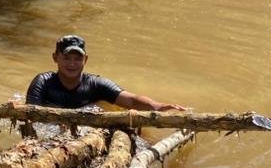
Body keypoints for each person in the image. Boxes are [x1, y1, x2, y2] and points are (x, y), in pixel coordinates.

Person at [25, 34, 184, 111]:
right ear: (55, 58)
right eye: (66, 58)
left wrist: (157, 106)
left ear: (85, 60)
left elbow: (131, 100)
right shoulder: (42, 82)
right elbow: (29, 117)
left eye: (78, 59)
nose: (72, 64)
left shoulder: (95, 84)